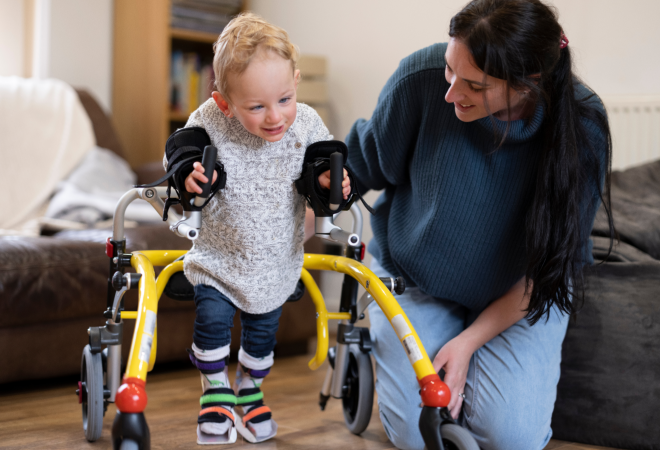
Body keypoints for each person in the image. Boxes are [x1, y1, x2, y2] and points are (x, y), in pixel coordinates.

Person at [345, 0, 614, 449]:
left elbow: (548, 269)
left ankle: (470, 370)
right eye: (450, 70)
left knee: (510, 438)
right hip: (417, 280)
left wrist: (469, 342)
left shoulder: (582, 127)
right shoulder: (423, 77)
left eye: (474, 84)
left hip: (521, 298)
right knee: (418, 435)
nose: (451, 93)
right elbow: (358, 167)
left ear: (529, 84)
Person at [170, 13, 351, 444]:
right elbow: (180, 150)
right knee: (213, 322)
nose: (275, 117)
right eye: (256, 106)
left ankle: (249, 390)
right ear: (224, 103)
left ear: (296, 81)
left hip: (276, 261)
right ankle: (216, 391)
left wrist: (331, 181)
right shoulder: (209, 122)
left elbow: (323, 164)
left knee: (262, 334)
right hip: (218, 258)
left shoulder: (304, 124)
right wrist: (189, 174)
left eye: (285, 98)